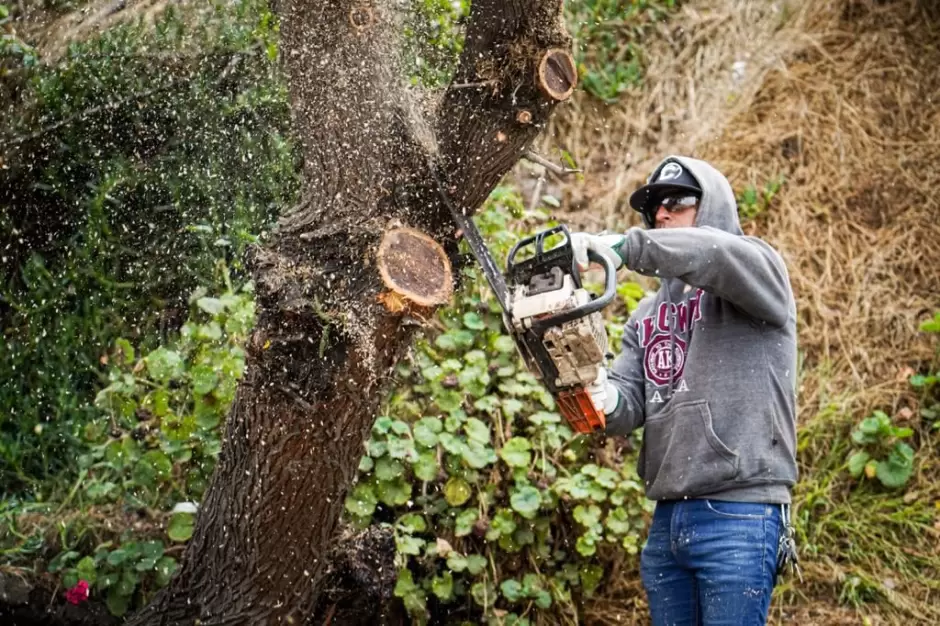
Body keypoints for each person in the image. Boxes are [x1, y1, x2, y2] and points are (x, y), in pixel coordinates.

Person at [569, 155, 799, 626]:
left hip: (740, 513)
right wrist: (589, 384)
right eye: (654, 208)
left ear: (712, 207)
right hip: (668, 518)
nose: (662, 214)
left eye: (677, 202)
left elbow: (714, 254)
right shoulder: (645, 316)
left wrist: (625, 247)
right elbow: (627, 403)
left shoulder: (758, 271)